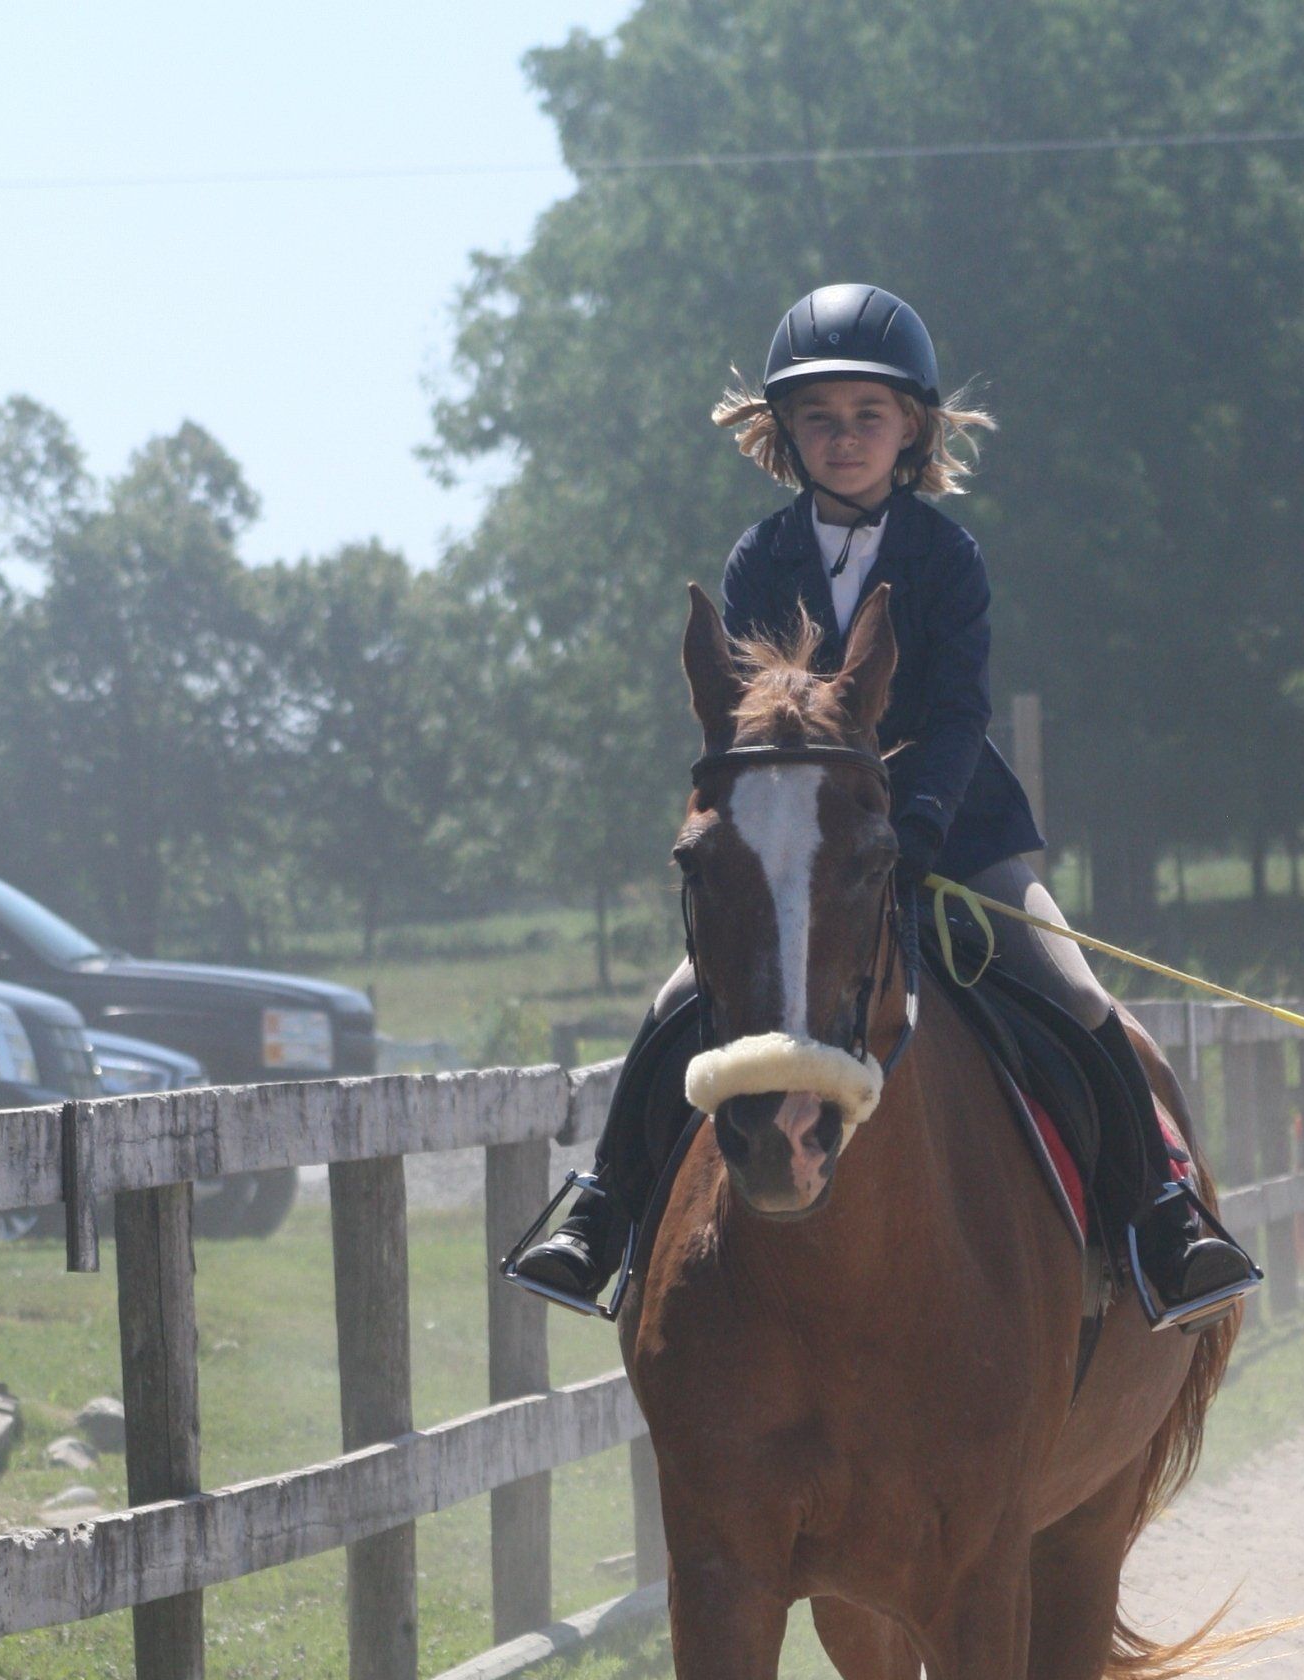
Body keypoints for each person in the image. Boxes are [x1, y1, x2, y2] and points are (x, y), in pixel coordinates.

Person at [511, 281, 1262, 1329]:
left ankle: (1165, 1221)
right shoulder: (759, 559)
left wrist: (914, 830)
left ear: (910, 427)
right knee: (674, 1007)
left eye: (868, 416)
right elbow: (749, 722)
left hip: (956, 838)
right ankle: (600, 1212)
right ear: (785, 433)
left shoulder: (944, 557)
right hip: (807, 855)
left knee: (1078, 999)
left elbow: (956, 715)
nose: (844, 437)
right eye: (819, 418)